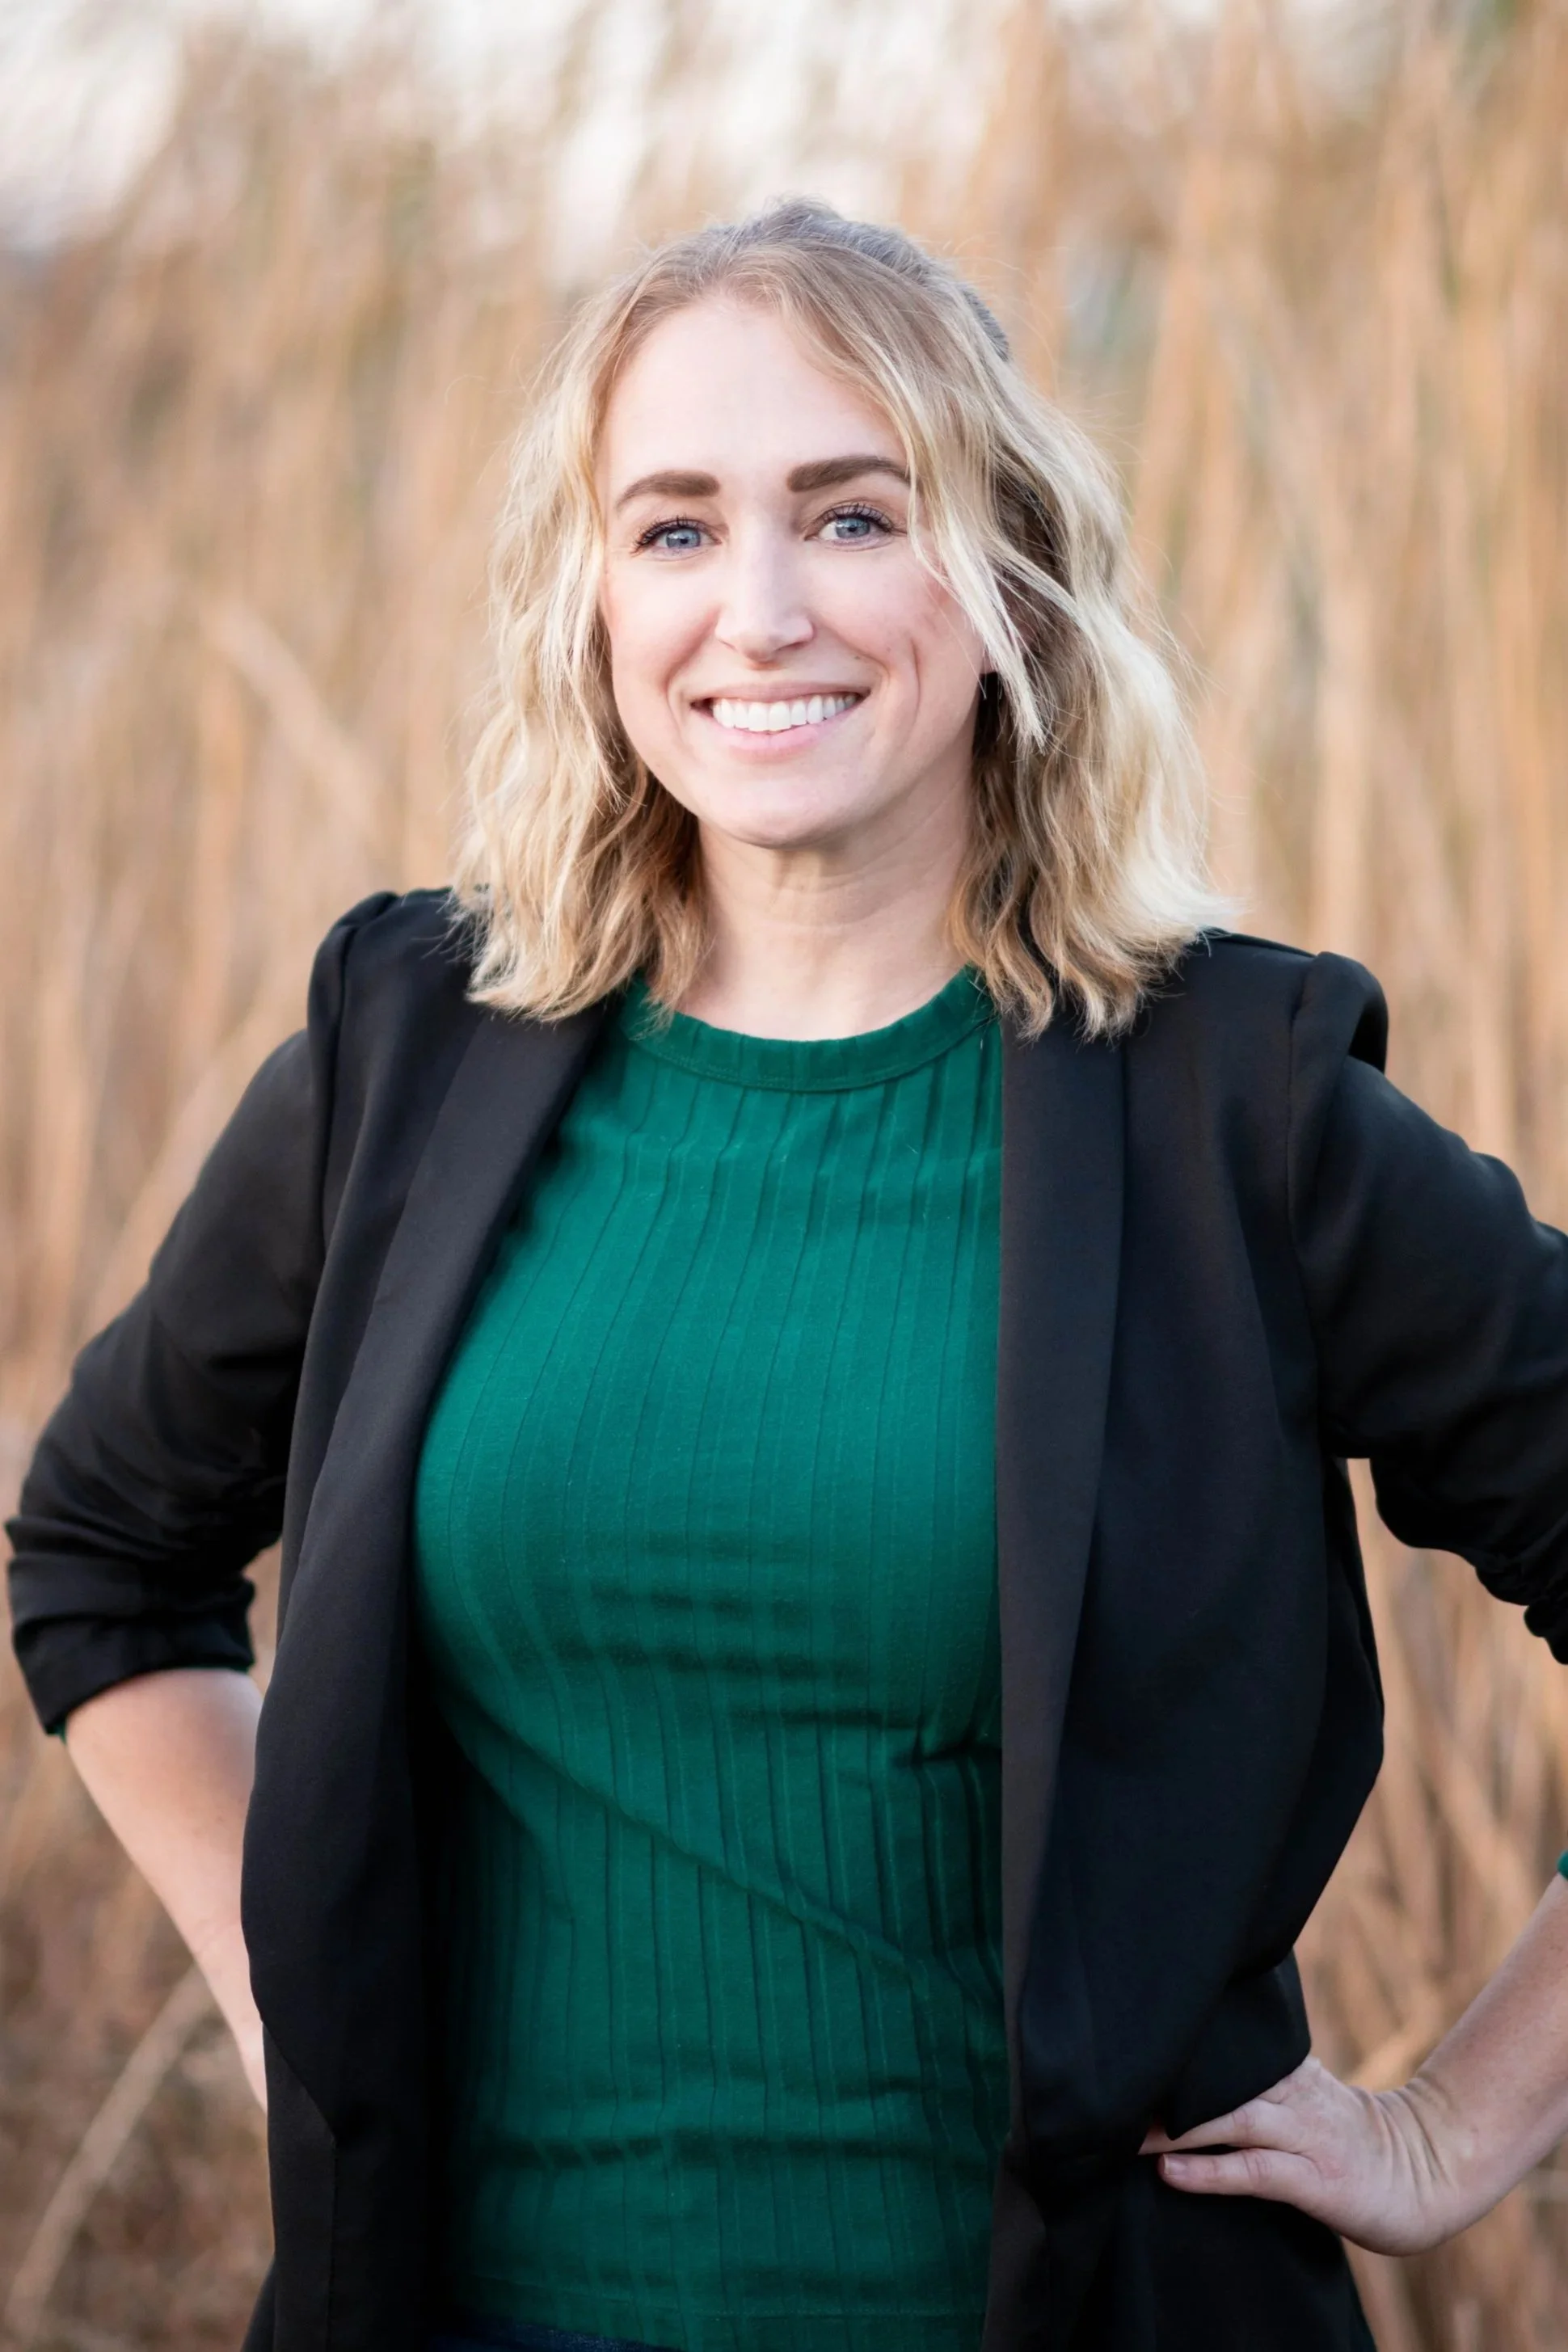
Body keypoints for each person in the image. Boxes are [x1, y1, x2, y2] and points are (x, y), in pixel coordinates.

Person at [9, 199, 1568, 2352]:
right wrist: (294, 1959)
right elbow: (99, 1548)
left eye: (851, 513)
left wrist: (1459, 2123)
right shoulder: (411, 1057)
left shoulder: (1237, 1109)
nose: (757, 611)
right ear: (593, 601)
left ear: (1004, 571)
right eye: (672, 528)